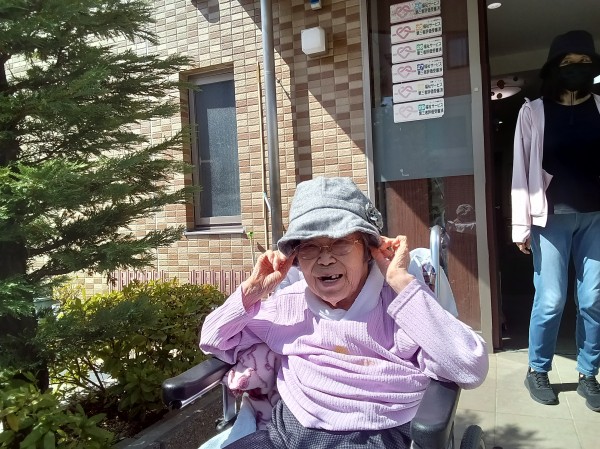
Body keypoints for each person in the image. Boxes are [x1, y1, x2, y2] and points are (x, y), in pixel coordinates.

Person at [200, 176, 488, 449]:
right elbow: (213, 339)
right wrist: (252, 291)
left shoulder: (403, 306)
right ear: (296, 258)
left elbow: (469, 366)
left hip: (376, 432)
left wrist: (401, 281)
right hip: (288, 430)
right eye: (309, 247)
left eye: (340, 243)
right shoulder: (288, 305)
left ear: (368, 251)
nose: (325, 259)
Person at [511, 29, 600, 411]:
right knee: (551, 299)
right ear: (555, 68)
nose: (577, 68)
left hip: (595, 218)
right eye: (568, 62)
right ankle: (537, 369)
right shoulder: (533, 112)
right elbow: (520, 171)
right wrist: (521, 226)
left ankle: (589, 374)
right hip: (550, 220)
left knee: (593, 298)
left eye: (584, 62)